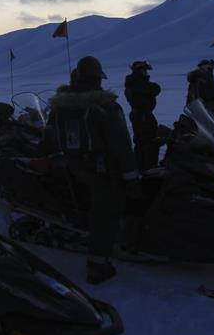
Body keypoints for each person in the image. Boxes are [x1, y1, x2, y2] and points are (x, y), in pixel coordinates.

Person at [44, 56, 140, 285]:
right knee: (107, 212)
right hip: (101, 169)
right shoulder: (104, 107)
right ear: (98, 78)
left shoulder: (62, 106)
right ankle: (98, 266)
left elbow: (50, 133)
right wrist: (132, 177)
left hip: (73, 166)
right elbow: (121, 144)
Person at [124, 61, 162, 172]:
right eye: (144, 70)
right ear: (140, 71)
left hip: (141, 115)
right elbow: (155, 88)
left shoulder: (134, 82)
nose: (146, 73)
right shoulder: (137, 83)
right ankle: (148, 168)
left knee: (142, 142)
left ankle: (142, 167)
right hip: (142, 116)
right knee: (148, 141)